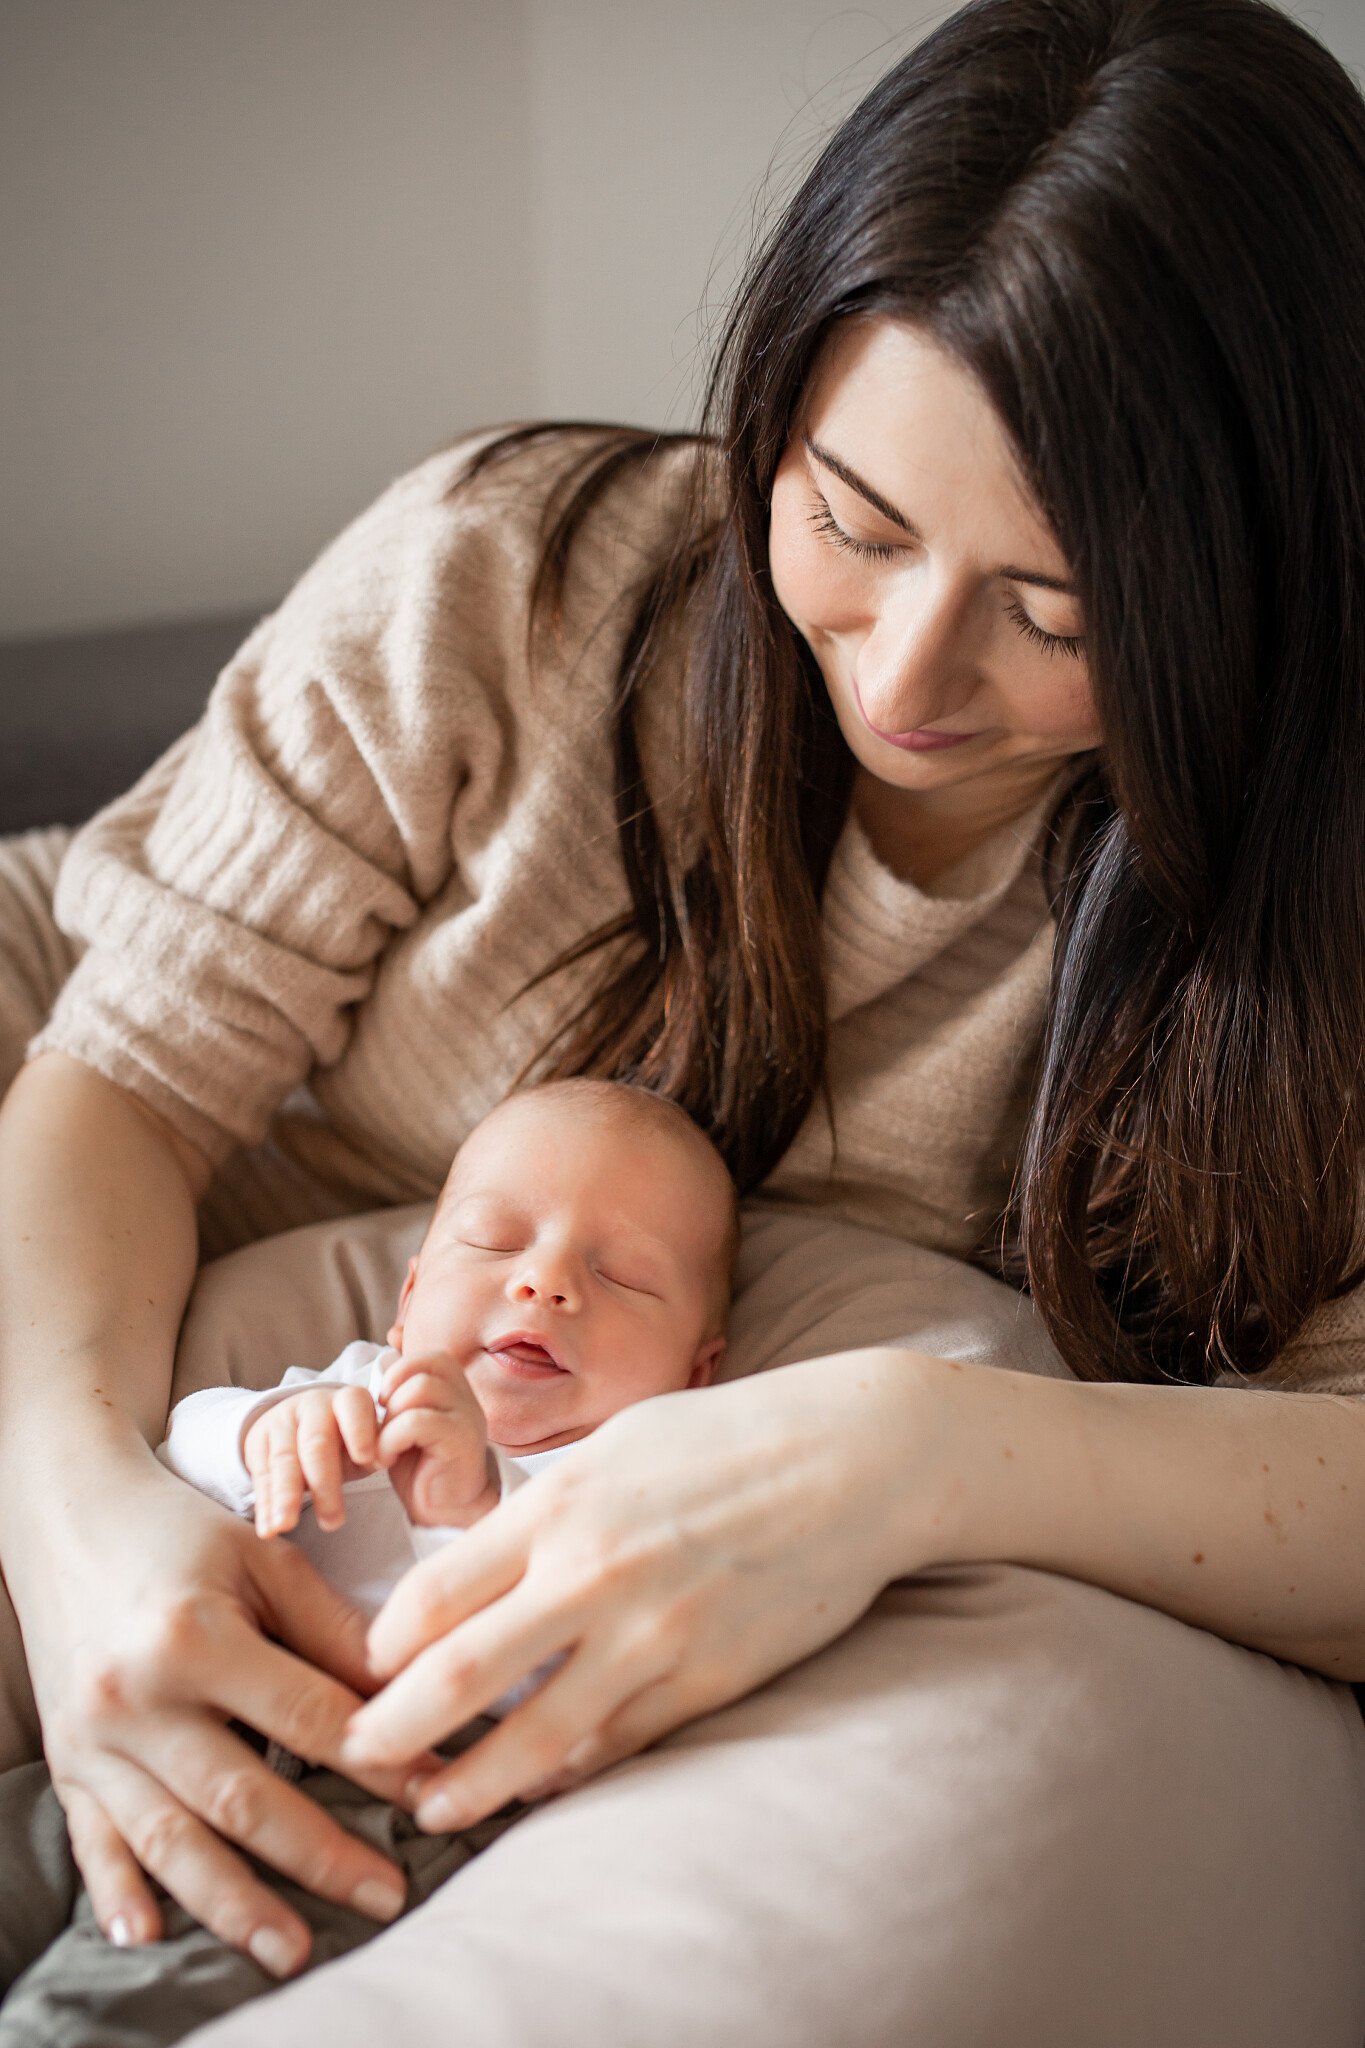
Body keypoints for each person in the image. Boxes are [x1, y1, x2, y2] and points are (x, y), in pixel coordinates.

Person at [1, 0, 1365, 2041]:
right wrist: (84, 1523)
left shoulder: (1304, 911)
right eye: (852, 522)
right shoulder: (517, 580)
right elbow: (113, 1072)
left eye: (1060, 613)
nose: (907, 671)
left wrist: (907, 1446)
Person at [0, 1080, 735, 2045]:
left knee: (129, 1986)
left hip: (378, 1786)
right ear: (409, 1301)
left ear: (694, 1374)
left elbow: (585, 1669)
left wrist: (471, 1515)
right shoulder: (354, 1387)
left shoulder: (626, 1477)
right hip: (178, 1708)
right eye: (493, 1239)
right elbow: (170, 1460)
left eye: (628, 1276)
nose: (546, 1280)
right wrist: (265, 1430)